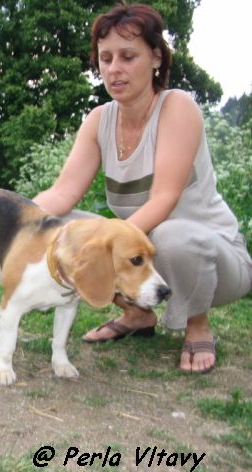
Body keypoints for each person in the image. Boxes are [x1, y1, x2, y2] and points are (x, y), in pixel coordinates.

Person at [32, 2, 252, 373]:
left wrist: (106, 245)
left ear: (156, 58)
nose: (114, 69)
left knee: (172, 237)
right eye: (106, 58)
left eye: (128, 56)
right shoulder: (98, 120)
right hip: (145, 254)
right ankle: (136, 313)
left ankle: (196, 321)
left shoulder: (177, 107)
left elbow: (164, 198)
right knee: (60, 226)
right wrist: (12, 222)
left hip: (216, 261)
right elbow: (62, 194)